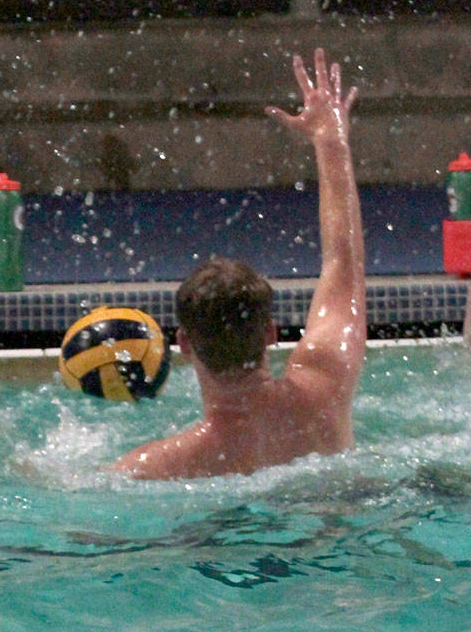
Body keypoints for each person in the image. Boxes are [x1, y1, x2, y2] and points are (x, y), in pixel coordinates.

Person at [115, 49, 365, 482]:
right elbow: (344, 263)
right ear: (270, 332)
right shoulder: (326, 385)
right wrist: (330, 139)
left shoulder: (158, 465)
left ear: (185, 344)